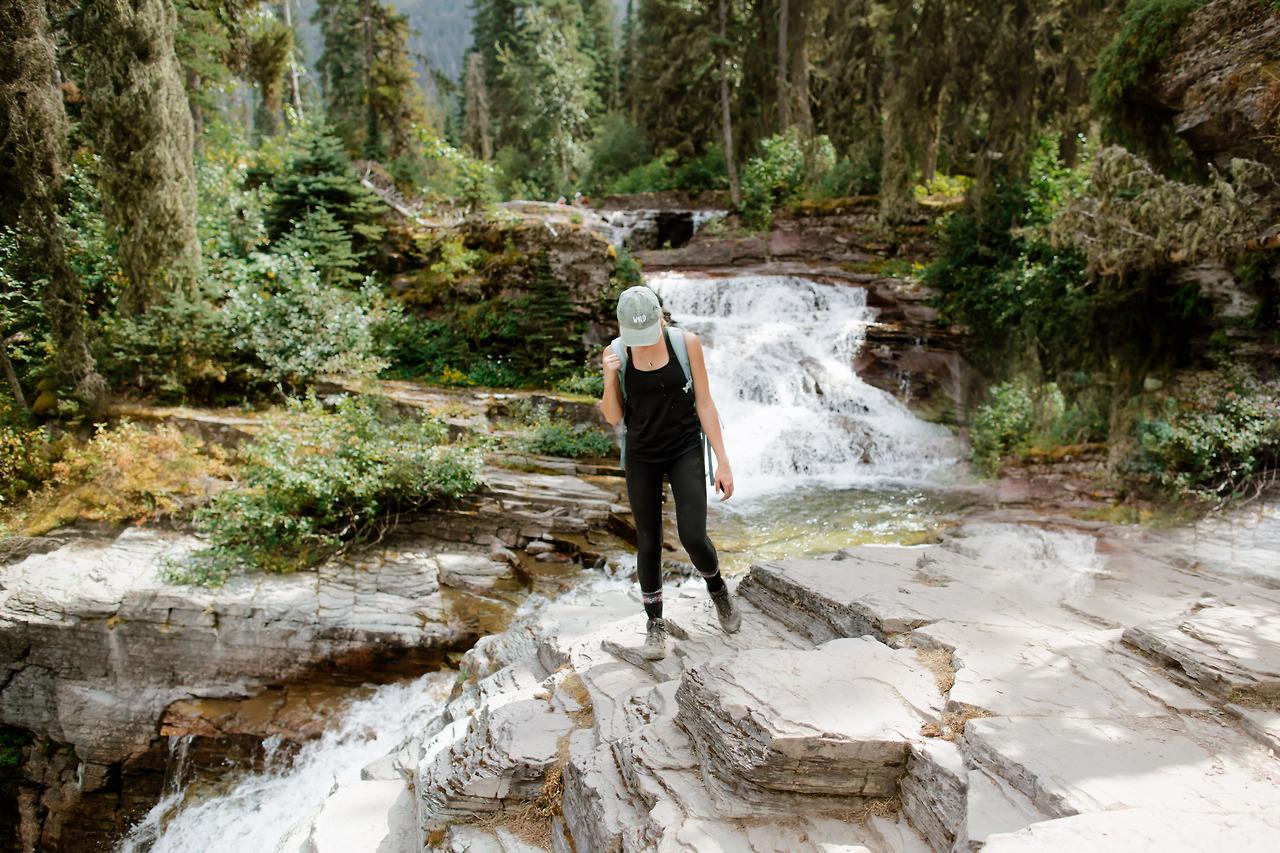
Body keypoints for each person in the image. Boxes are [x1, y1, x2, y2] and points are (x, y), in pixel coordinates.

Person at [599, 285, 741, 660]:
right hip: (643, 454)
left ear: (661, 318)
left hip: (684, 447)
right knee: (648, 542)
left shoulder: (685, 344)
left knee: (693, 536)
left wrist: (723, 460)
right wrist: (610, 377)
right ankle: (655, 625)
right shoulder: (614, 353)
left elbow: (705, 403)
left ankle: (718, 591)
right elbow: (613, 417)